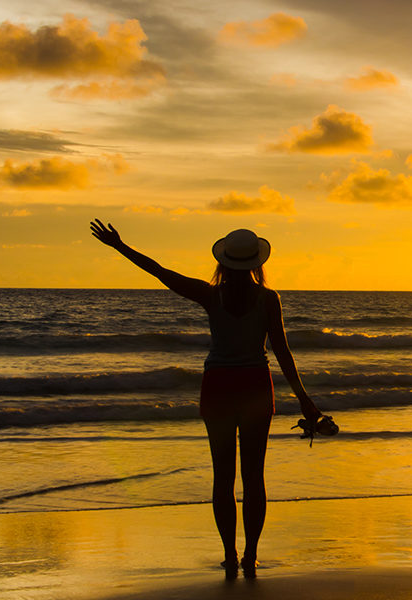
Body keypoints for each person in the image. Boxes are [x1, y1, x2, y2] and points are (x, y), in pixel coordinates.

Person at [90, 219, 335, 579]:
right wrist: (303, 399)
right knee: (254, 477)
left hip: (218, 386)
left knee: (223, 478)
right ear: (257, 264)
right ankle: (250, 555)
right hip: (254, 385)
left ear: (223, 261)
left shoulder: (210, 294)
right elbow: (282, 351)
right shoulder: (268, 299)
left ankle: (229, 554)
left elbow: (161, 272)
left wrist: (120, 246)